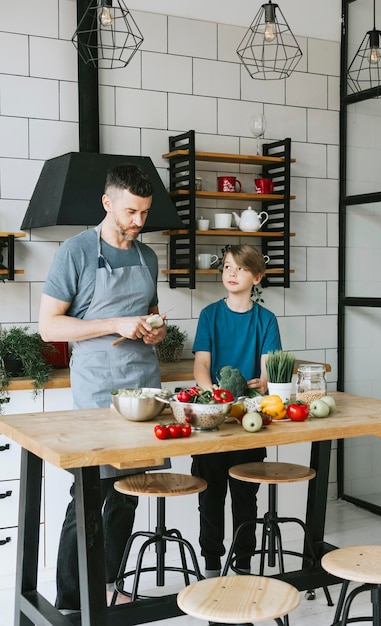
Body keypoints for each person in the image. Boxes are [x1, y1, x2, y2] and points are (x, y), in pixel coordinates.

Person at [39, 163, 168, 611]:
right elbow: (48, 326)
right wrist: (114, 322)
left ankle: (109, 585)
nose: (138, 221)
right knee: (89, 493)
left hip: (143, 387)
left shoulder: (146, 256)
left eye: (145, 213)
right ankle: (72, 599)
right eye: (131, 211)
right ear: (108, 202)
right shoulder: (74, 252)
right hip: (97, 389)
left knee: (130, 490)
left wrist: (156, 332)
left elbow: (151, 314)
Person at [191, 244, 282, 577]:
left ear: (256, 277)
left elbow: (268, 367)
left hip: (249, 419)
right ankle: (212, 565)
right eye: (228, 267)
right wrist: (210, 391)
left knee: (245, 496)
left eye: (241, 269)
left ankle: (243, 564)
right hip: (213, 417)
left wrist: (263, 381)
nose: (231, 273)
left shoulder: (265, 320)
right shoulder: (209, 315)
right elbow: (201, 364)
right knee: (210, 494)